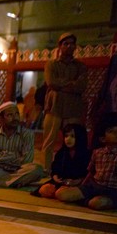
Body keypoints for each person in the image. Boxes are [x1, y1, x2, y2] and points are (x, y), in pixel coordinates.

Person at [41, 32, 88, 173]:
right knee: (48, 141)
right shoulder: (51, 64)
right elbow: (51, 82)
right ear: (59, 46)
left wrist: (61, 85)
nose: (69, 46)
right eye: (65, 43)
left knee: (73, 141)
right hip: (54, 107)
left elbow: (81, 86)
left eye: (72, 43)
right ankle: (46, 170)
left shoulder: (80, 66)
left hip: (72, 109)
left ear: (75, 47)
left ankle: (70, 169)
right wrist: (71, 85)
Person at [56, 117, 117, 210]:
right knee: (61, 194)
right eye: (111, 131)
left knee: (98, 203)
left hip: (113, 190)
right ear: (103, 139)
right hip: (94, 186)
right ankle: (87, 200)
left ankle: (95, 202)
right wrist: (82, 187)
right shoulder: (98, 152)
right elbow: (90, 172)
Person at [31, 124, 91, 198]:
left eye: (72, 136)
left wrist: (77, 181)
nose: (68, 139)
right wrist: (55, 177)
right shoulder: (62, 152)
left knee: (64, 194)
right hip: (62, 182)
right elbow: (56, 168)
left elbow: (88, 173)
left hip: (79, 184)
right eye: (66, 136)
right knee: (44, 190)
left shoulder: (86, 154)